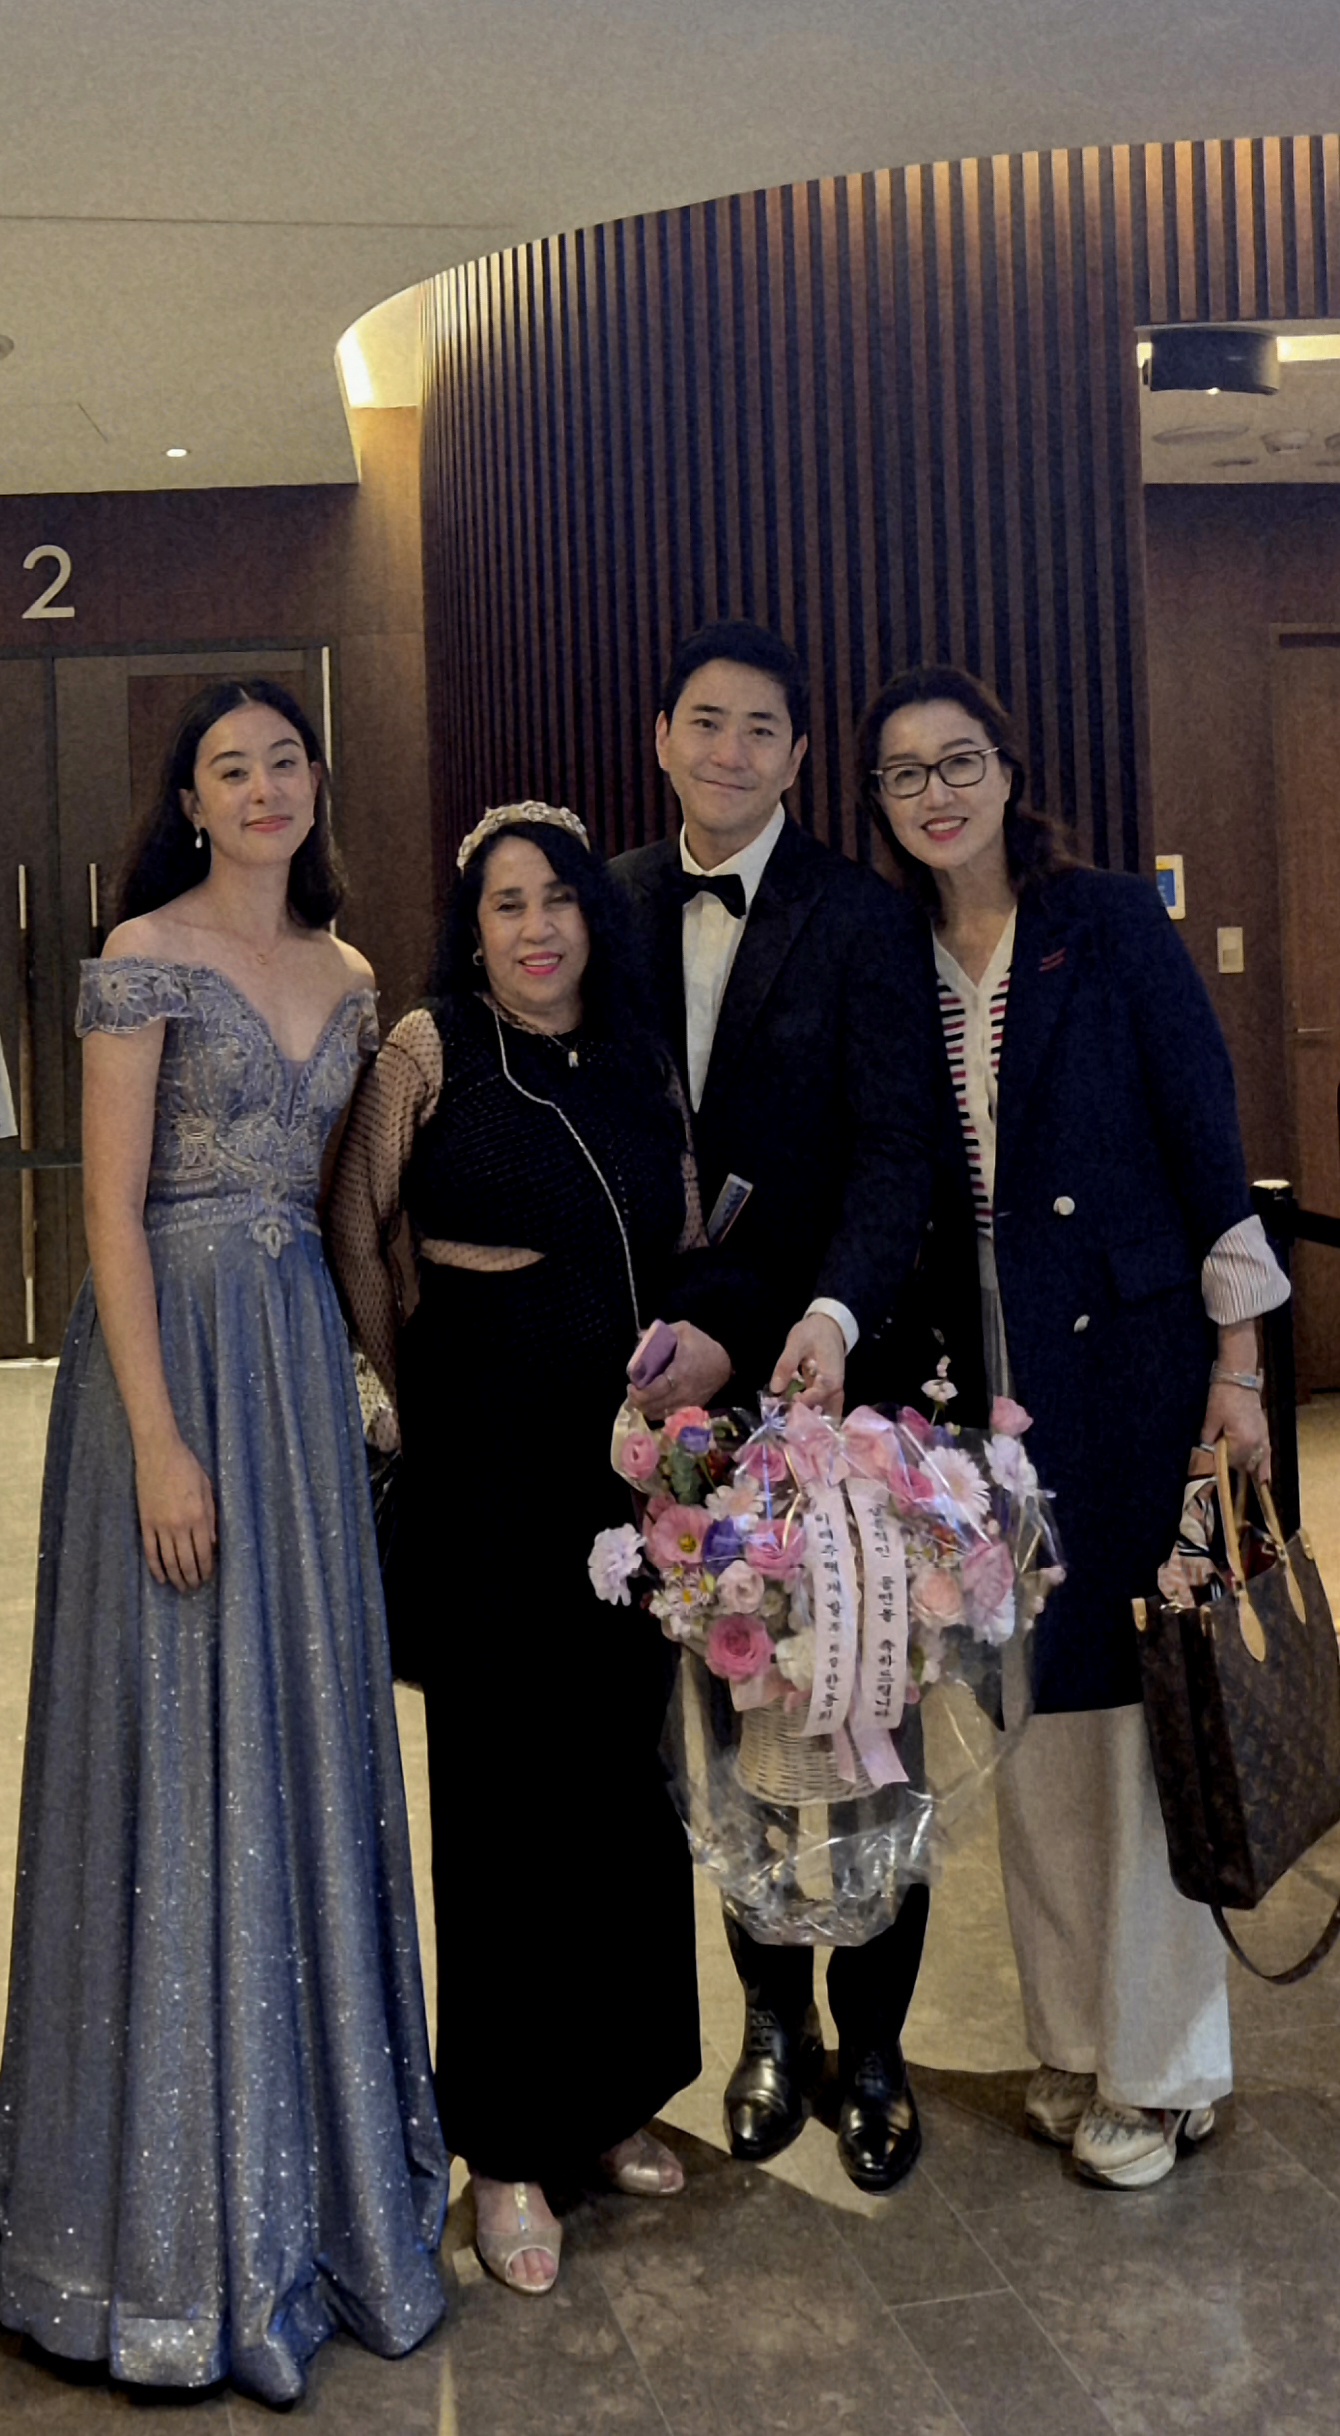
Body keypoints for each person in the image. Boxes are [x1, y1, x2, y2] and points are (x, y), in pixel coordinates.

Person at [0, 680, 450, 2404]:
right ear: (189, 802)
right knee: (173, 1740)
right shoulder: (144, 954)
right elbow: (107, 1215)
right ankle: (157, 2234)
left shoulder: (352, 975)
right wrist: (161, 1444)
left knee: (299, 1741)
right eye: (228, 767)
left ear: (315, 782)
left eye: (284, 760)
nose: (264, 786)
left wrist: (392, 1384)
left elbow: (353, 1214)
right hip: (170, 1371)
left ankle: (309, 2193)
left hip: (298, 1379)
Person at [855, 662, 1288, 2191]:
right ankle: (1075, 2037)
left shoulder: (1101, 922)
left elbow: (1204, 1131)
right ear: (880, 799)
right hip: (977, 1390)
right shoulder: (893, 956)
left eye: (958, 760)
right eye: (904, 773)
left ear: (1008, 767)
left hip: (1132, 1371)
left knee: (1140, 1723)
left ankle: (1164, 2069)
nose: (936, 793)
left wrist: (1239, 1364)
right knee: (1028, 1721)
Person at [328, 803, 727, 2296]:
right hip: (487, 1479)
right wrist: (412, 1397)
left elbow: (681, 1238)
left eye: (557, 899)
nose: (537, 927)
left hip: (623, 1486)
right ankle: (503, 2147)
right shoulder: (430, 1049)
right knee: (504, 1808)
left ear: (590, 917)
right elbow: (355, 1229)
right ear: (473, 926)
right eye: (506, 904)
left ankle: (612, 2096)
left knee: (621, 1791)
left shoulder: (633, 1058)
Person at [610, 621, 940, 2194]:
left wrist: (832, 1316)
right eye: (706, 721)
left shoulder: (863, 918)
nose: (730, 751)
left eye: (762, 729)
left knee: (869, 1717)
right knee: (729, 1709)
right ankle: (770, 2019)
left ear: (801, 757)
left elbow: (898, 1150)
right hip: (672, 1389)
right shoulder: (607, 902)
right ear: (662, 737)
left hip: (830, 1375)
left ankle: (874, 2044)